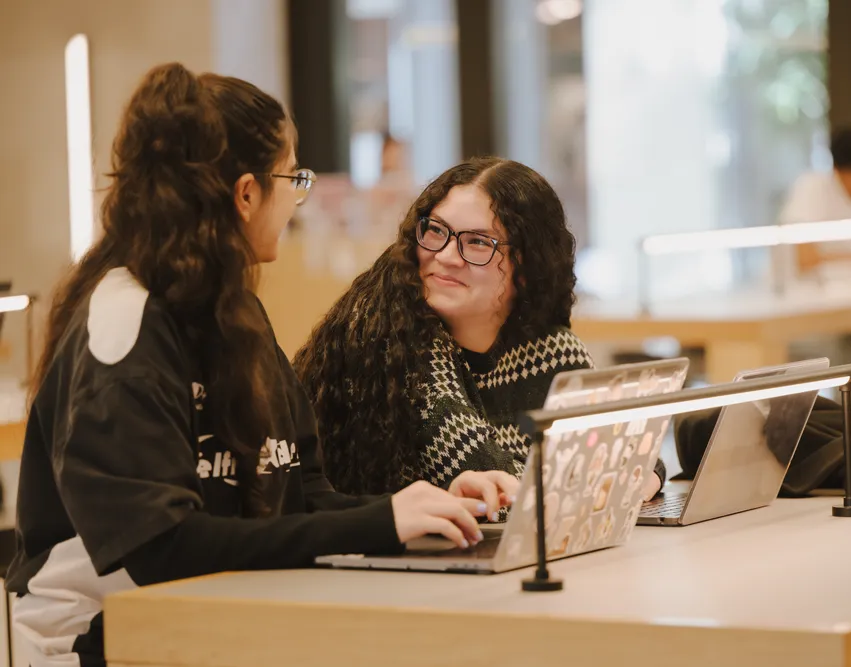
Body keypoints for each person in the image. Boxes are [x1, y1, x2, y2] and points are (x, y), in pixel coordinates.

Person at [6, 63, 515, 667]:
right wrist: (380, 523)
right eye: (291, 178)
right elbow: (162, 549)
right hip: (87, 643)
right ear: (246, 194)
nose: (295, 201)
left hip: (213, 626)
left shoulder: (236, 312)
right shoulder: (122, 326)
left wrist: (424, 504)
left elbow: (299, 496)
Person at [294, 157, 667, 502]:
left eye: (476, 242)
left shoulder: (551, 348)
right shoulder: (398, 345)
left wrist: (640, 471)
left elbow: (628, 449)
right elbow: (492, 486)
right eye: (436, 230)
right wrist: (616, 481)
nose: (445, 256)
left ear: (527, 264)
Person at [780, 127, 851, 272]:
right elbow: (805, 259)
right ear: (838, 171)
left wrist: (838, 259)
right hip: (806, 290)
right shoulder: (811, 188)